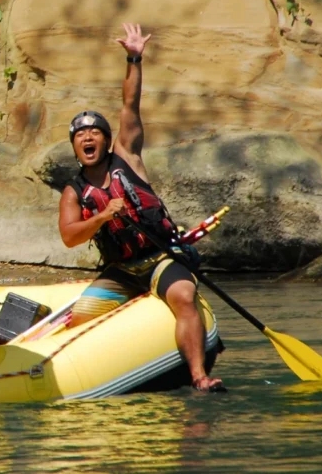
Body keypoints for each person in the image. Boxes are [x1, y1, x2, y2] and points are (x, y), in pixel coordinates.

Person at [57, 23, 224, 392]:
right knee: (79, 318)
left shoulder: (127, 157)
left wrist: (134, 57)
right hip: (122, 270)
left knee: (182, 295)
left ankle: (199, 377)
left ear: (106, 139)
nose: (88, 137)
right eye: (80, 135)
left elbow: (129, 104)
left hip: (160, 256)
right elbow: (69, 237)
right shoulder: (74, 191)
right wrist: (102, 216)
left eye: (95, 132)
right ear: (74, 146)